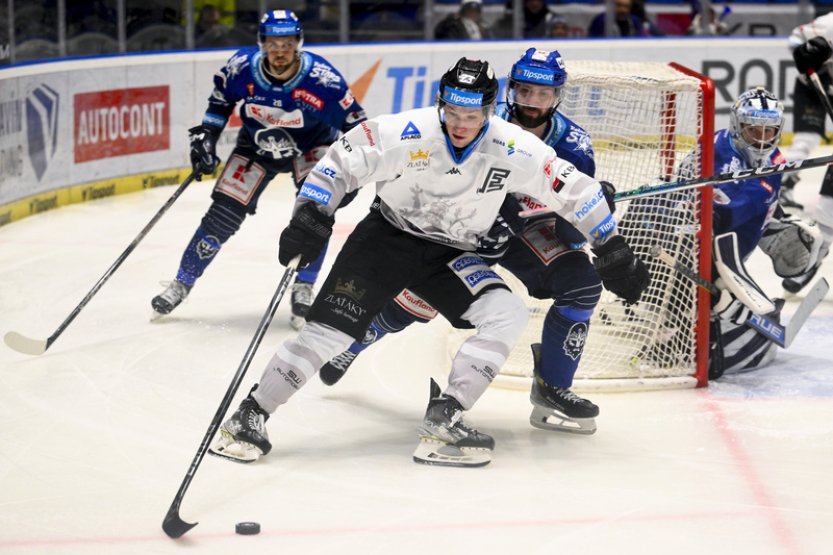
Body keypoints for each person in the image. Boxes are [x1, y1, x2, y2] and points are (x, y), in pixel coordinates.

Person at [208, 57, 650, 468]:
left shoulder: (513, 146)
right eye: (453, 114)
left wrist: (611, 247)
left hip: (453, 254)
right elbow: (341, 160)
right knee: (329, 333)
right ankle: (250, 414)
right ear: (441, 104)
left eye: (472, 116)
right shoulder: (406, 130)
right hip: (385, 241)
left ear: (491, 111)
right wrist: (311, 212)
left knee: (506, 312)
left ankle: (445, 418)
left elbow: (576, 190)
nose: (461, 125)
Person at [318, 48, 616, 436]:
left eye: (542, 95)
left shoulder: (575, 144)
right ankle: (356, 343)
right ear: (510, 92)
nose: (531, 103)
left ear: (557, 96)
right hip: (464, 228)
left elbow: (569, 230)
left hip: (528, 234)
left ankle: (553, 386)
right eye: (524, 91)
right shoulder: (483, 121)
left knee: (583, 284)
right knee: (418, 304)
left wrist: (593, 210)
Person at [151, 10, 366, 330]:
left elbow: (357, 126)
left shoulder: (323, 79)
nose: (280, 51)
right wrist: (207, 135)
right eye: (273, 44)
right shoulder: (241, 69)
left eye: (288, 44)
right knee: (221, 216)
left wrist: (352, 170)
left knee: (316, 214)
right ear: (261, 44)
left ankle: (304, 285)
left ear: (299, 44)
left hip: (313, 146)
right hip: (256, 146)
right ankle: (182, 282)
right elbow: (220, 101)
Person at [640, 87, 821, 379]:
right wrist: (712, 277)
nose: (762, 139)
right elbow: (683, 214)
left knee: (749, 315)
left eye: (769, 131)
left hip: (728, 253)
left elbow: (759, 207)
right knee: (694, 259)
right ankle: (669, 327)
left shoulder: (774, 160)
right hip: (688, 249)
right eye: (754, 131)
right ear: (737, 126)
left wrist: (779, 228)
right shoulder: (713, 154)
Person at [774, 15, 833, 293]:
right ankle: (817, 253)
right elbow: (796, 39)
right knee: (806, 139)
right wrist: (808, 52)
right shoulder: (831, 24)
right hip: (817, 85)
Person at [587, 0, 657, 38]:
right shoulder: (601, 20)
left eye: (626, 6)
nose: (623, 9)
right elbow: (592, 39)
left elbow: (641, 38)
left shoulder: (634, 21)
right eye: (619, 5)